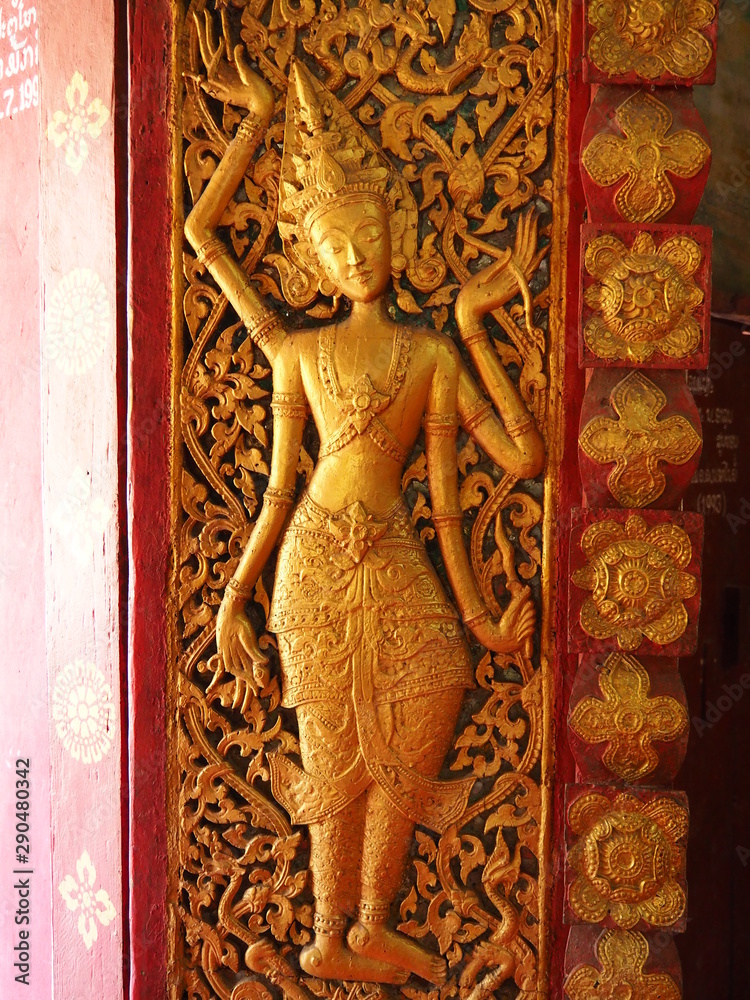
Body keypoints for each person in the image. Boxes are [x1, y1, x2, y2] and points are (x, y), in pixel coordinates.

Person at [185, 13, 545, 987]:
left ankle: (371, 922)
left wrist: (472, 322)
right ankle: (325, 933)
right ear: (312, 259)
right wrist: (234, 594)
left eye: (371, 235)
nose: (355, 255)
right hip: (311, 555)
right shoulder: (296, 351)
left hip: (391, 551)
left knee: (436, 684)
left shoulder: (429, 353)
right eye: (335, 245)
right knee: (332, 738)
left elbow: (514, 462)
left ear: (400, 232)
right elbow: (200, 237)